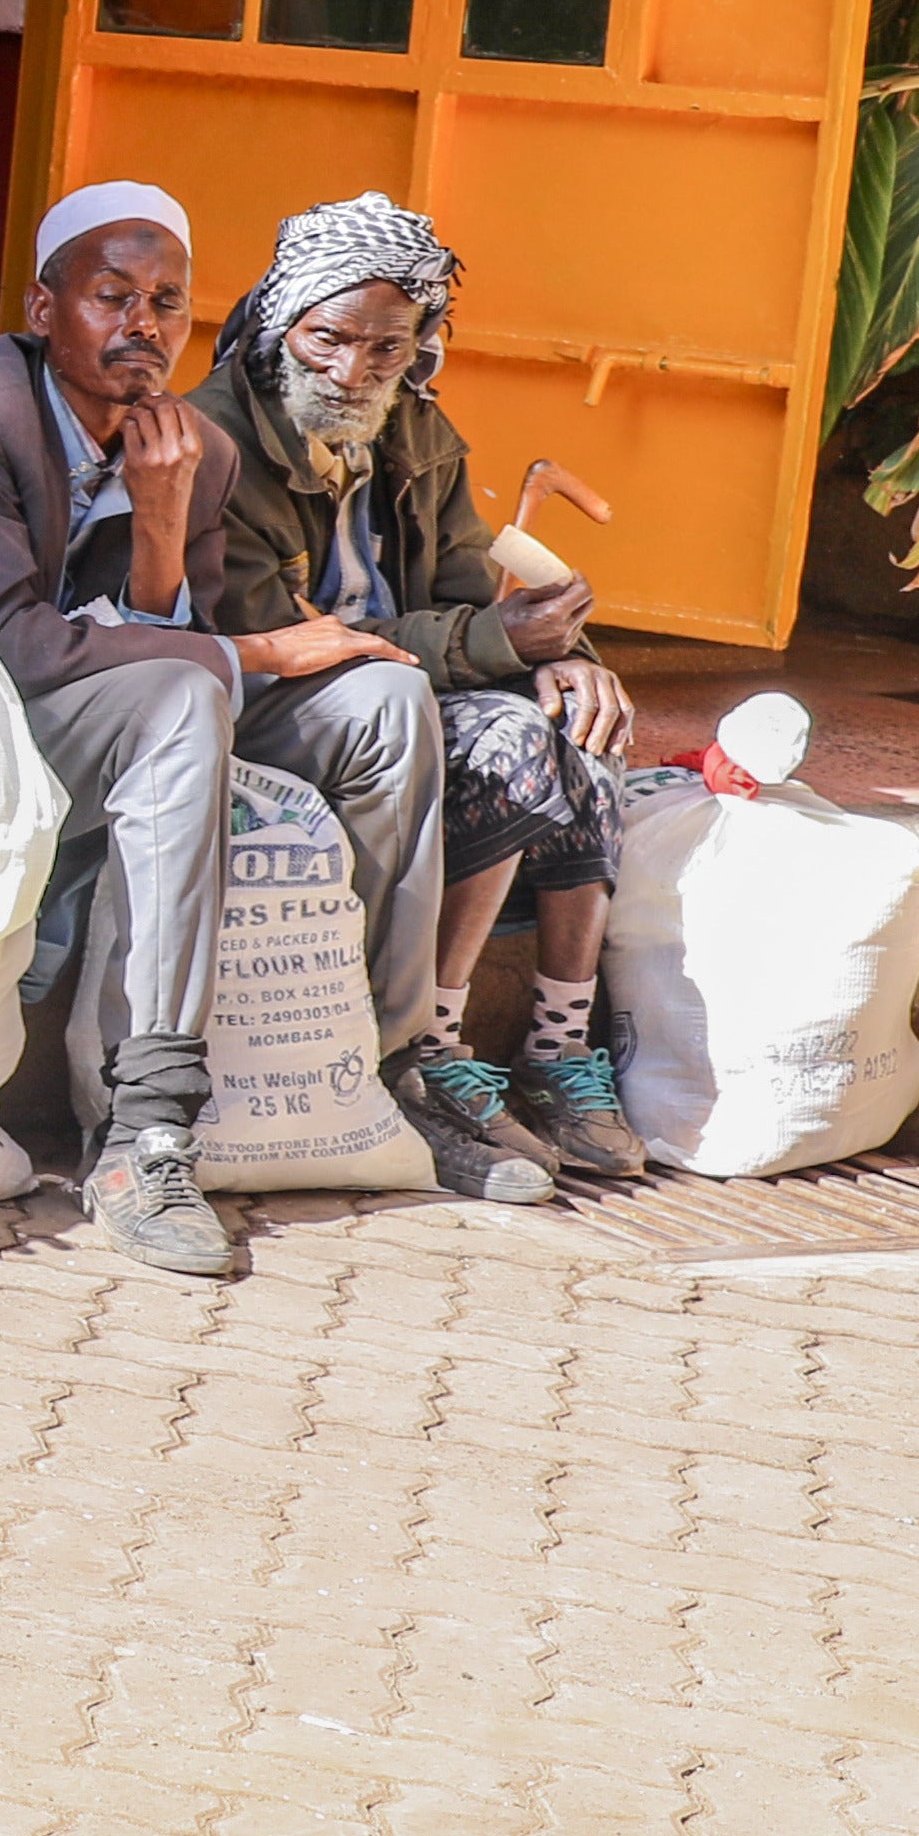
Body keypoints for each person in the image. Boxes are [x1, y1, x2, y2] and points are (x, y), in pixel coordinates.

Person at [0, 184, 471, 1281]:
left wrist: (159, 512)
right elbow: (16, 647)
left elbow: (164, 627)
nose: (142, 323)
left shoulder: (194, 450)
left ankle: (383, 1062)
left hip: (106, 722)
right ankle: (147, 1135)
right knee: (192, 694)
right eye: (111, 296)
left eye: (166, 301)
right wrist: (257, 654)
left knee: (384, 698)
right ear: (45, 308)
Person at [195, 193, 630, 1185]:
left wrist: (566, 654)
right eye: (328, 339)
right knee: (514, 745)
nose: (352, 371)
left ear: (420, 343)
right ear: (281, 320)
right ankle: (429, 1048)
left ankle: (556, 1047)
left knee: (580, 736)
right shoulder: (221, 441)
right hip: (296, 699)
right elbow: (279, 633)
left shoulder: (420, 432)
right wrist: (492, 642)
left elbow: (473, 585)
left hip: (413, 680)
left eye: (386, 348)